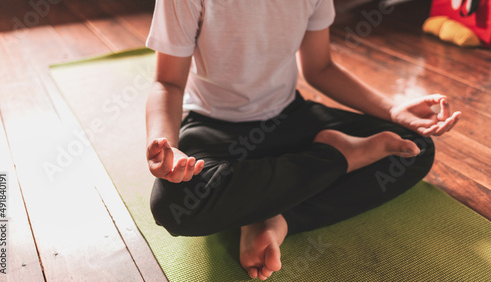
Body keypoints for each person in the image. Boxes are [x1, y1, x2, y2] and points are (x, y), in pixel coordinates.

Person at [145, 1, 461, 280]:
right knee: (174, 206)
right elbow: (168, 82)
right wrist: (166, 146)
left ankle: (276, 218)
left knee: (414, 148)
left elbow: (319, 67)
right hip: (214, 128)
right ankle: (337, 157)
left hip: (290, 118)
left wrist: (393, 110)